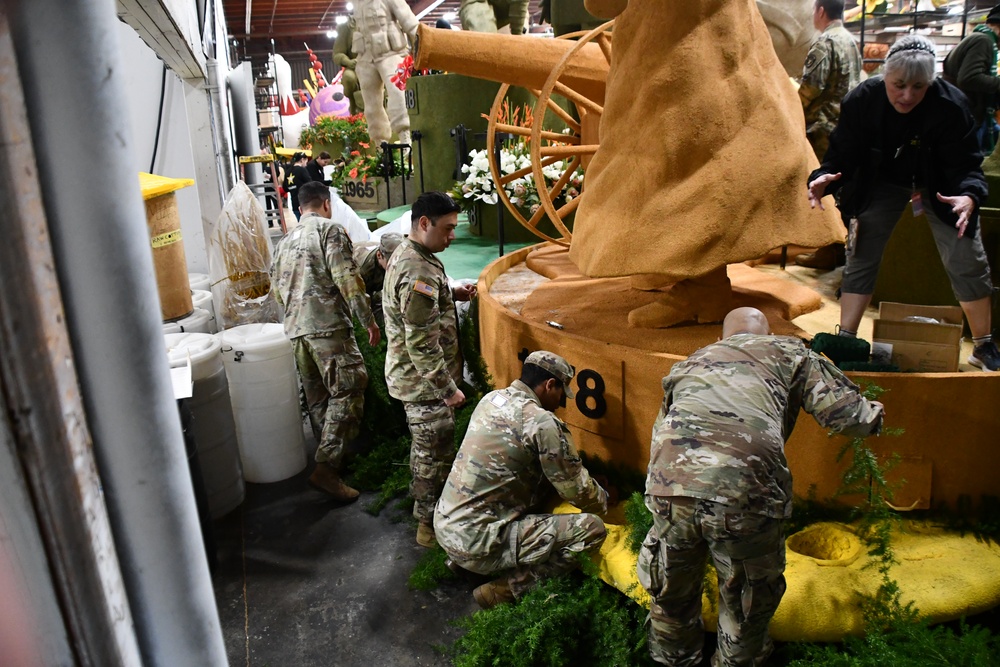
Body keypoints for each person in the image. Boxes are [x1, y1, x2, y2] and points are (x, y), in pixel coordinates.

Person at [638, 307, 884, 667]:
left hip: (671, 487)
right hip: (745, 492)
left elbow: (661, 433)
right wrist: (878, 412)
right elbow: (848, 415)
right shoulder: (790, 352)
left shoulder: (689, 363)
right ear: (766, 336)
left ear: (722, 339)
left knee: (671, 592)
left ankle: (670, 659)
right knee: (746, 602)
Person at [807, 34, 1000, 371]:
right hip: (881, 180)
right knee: (862, 249)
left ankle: (983, 345)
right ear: (884, 76)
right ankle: (847, 337)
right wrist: (824, 176)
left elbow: (966, 163)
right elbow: (843, 151)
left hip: (941, 186)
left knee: (965, 253)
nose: (907, 95)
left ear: (932, 82)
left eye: (918, 87)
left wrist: (969, 196)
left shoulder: (952, 106)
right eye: (898, 85)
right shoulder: (863, 99)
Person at [435, 351, 610, 609]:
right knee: (592, 530)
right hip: (478, 542)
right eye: (561, 392)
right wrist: (604, 499)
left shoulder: (491, 399)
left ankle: (464, 564)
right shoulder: (541, 422)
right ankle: (505, 589)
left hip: (446, 526)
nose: (561, 401)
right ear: (550, 384)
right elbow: (577, 490)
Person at [270, 181, 380, 502]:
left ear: (299, 208)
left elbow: (277, 292)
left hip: (296, 331)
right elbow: (348, 278)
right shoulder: (330, 231)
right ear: (326, 204)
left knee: (318, 397)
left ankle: (333, 463)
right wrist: (368, 321)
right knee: (349, 387)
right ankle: (328, 469)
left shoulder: (284, 241)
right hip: (327, 327)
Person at [382, 191, 476, 547]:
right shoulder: (416, 269)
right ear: (424, 223)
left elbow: (420, 309)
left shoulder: (417, 254)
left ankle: (432, 513)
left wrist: (452, 293)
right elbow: (420, 343)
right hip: (424, 384)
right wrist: (448, 389)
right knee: (432, 452)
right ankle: (426, 525)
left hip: (421, 379)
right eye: (448, 229)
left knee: (431, 448)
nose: (453, 236)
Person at [796, 0, 863, 270]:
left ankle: (828, 250)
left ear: (820, 11)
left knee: (822, 188)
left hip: (823, 127)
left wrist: (792, 109)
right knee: (842, 189)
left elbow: (812, 87)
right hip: (846, 124)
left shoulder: (825, 42)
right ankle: (842, 248)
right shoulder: (850, 40)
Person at [351, 0, 418, 147]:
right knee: (371, 104)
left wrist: (422, 46)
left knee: (397, 94)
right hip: (366, 57)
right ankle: (380, 144)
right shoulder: (356, 3)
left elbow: (410, 22)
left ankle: (405, 138)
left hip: (391, 53)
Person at [942, 5, 1000, 153]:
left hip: (963, 114)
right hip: (967, 116)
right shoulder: (983, 41)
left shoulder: (979, 38)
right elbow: (969, 78)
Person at [353, 232, 404, 328]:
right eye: (392, 264)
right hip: (349, 281)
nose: (396, 268)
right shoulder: (362, 270)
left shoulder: (394, 255)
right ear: (379, 256)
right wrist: (370, 325)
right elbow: (358, 301)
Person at [283, 152, 312, 219]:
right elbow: (310, 183)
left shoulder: (287, 172)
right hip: (305, 202)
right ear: (302, 160)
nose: (306, 164)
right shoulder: (302, 170)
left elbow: (285, 188)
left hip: (295, 203)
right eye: (306, 162)